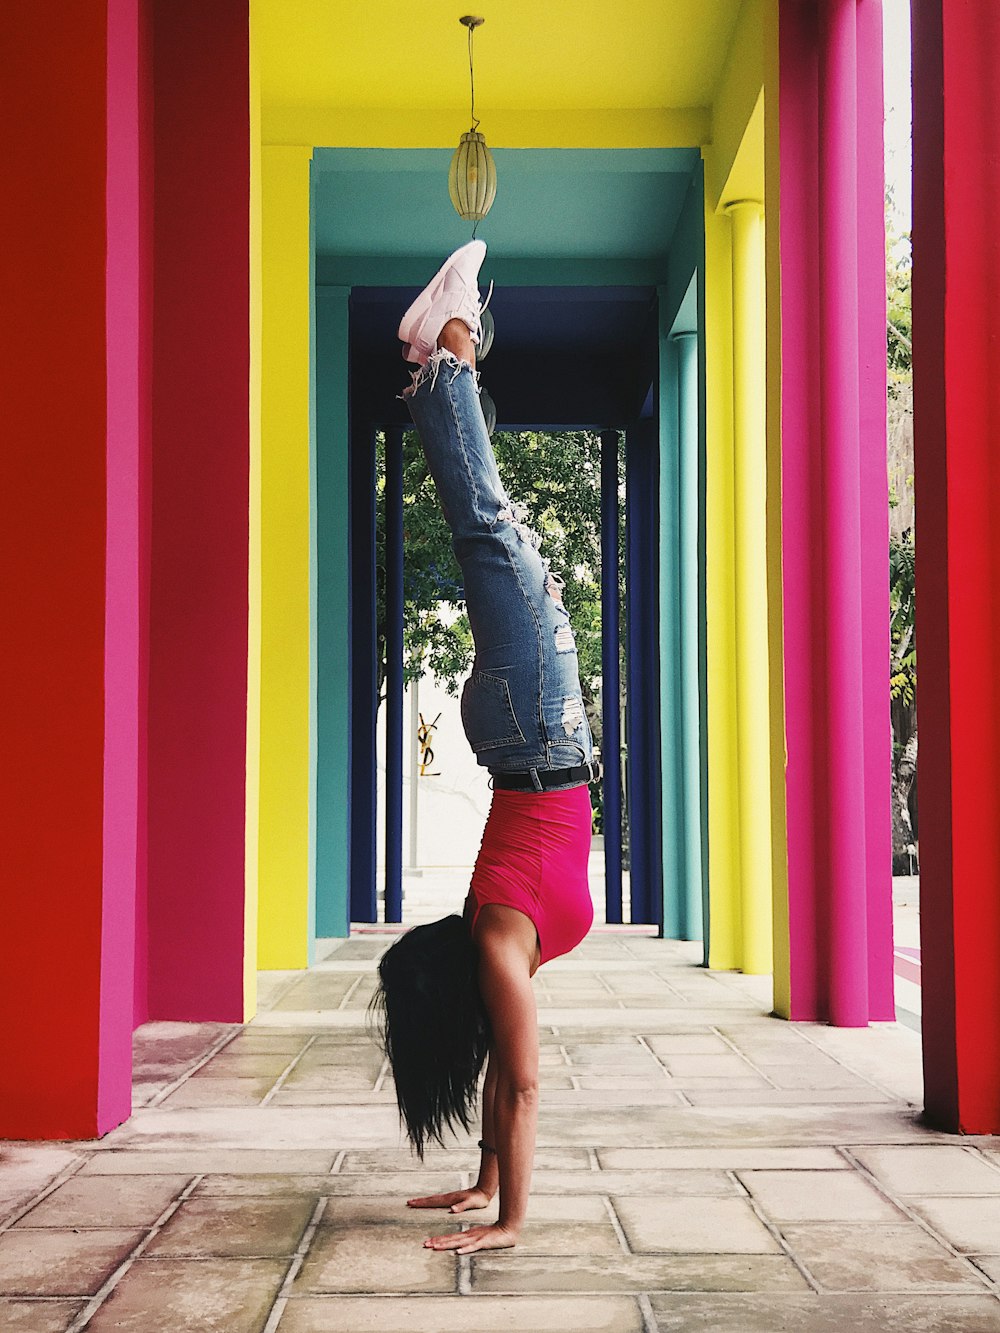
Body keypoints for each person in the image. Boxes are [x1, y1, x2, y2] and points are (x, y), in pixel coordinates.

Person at [371, 239, 600, 1256]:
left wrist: (505, 1220)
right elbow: (510, 1079)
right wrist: (485, 1198)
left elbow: (519, 1078)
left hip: (536, 730)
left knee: (489, 532)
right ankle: (440, 360)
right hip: (526, 730)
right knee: (488, 535)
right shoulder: (490, 941)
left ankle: (449, 347)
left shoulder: (500, 941)